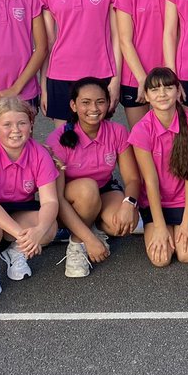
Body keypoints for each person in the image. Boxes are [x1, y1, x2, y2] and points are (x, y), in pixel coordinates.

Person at [0, 96, 60, 297]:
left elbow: (50, 201)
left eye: (22, 123)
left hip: (17, 207)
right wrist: (22, 234)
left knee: (49, 228)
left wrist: (38, 231)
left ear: (31, 125)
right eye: (7, 124)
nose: (16, 130)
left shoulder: (39, 153)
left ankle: (15, 252)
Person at [46, 78, 140, 277]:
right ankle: (77, 243)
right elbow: (58, 197)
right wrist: (89, 240)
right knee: (87, 189)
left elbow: (132, 179)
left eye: (100, 101)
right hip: (70, 201)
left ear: (108, 103)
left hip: (104, 189)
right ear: (73, 105)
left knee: (123, 225)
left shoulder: (117, 131)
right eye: (86, 102)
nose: (94, 108)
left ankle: (93, 227)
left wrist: (128, 203)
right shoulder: (58, 138)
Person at [37, 0, 120, 126]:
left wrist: (116, 79)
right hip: (60, 75)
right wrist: (44, 85)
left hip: (100, 73)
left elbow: (117, 36)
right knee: (66, 144)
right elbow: (47, 43)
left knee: (99, 145)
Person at [127, 67, 188, 268]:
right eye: (154, 90)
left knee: (186, 255)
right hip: (157, 202)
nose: (162, 94)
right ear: (146, 96)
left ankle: (185, 222)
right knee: (161, 259)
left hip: (187, 200)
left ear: (178, 91)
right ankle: (153, 225)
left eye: (168, 88)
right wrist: (160, 226)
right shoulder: (142, 130)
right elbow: (150, 180)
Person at [114, 0, 169, 129]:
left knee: (173, 141)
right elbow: (124, 40)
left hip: (168, 76)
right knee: (142, 142)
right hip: (136, 78)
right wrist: (142, 80)